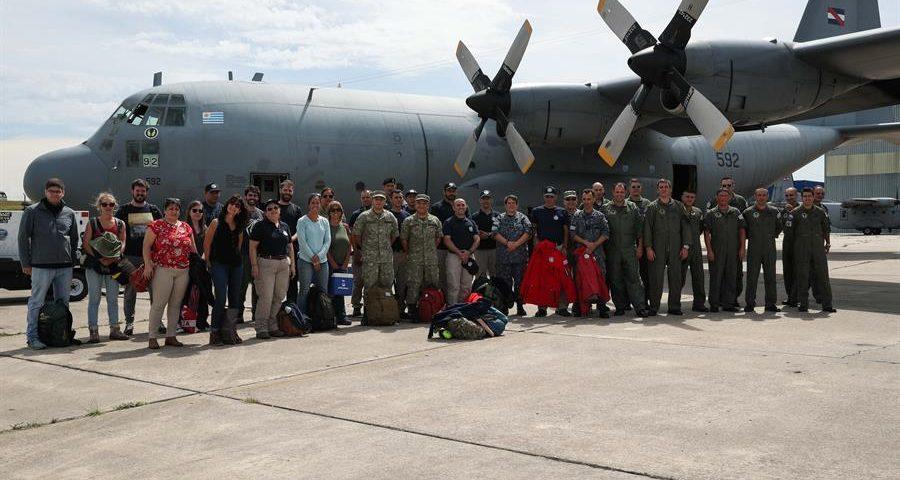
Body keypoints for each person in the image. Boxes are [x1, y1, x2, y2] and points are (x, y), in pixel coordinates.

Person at [19, 179, 80, 350]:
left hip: (64, 266)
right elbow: (23, 239)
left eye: (58, 191)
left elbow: (74, 239)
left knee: (63, 303)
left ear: (63, 193)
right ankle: (32, 337)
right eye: (51, 191)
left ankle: (61, 334)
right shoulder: (32, 211)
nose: (55, 194)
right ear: (45, 192)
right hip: (41, 265)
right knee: (36, 302)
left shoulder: (69, 213)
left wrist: (73, 260)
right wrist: (26, 262)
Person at [143, 198, 196, 349]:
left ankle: (171, 335)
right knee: (159, 304)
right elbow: (146, 246)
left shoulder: (186, 227)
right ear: (165, 210)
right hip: (163, 269)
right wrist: (148, 265)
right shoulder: (156, 226)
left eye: (176, 209)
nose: (174, 211)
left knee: (175, 305)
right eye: (171, 208)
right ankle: (152, 336)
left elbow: (193, 250)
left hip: (182, 270)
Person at [116, 178, 162, 336]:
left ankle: (157, 322)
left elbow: (161, 232)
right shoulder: (123, 210)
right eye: (137, 191)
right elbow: (116, 231)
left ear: (146, 192)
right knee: (130, 291)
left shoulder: (154, 210)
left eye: (143, 191)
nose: (140, 193)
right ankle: (129, 323)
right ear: (132, 191)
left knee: (155, 291)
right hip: (130, 257)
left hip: (150, 257)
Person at [82, 192, 129, 342]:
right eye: (105, 204)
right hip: (95, 265)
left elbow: (123, 242)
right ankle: (93, 331)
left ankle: (115, 329)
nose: (108, 207)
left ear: (115, 206)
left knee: (113, 299)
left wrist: (114, 256)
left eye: (111, 204)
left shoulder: (120, 223)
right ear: (99, 206)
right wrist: (100, 258)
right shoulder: (93, 223)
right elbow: (86, 243)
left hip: (113, 266)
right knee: (94, 299)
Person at [204, 195, 248, 345]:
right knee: (221, 297)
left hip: (236, 265)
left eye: (237, 206)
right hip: (219, 264)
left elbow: (239, 245)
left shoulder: (239, 225)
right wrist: (208, 262)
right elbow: (207, 243)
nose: (233, 207)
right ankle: (215, 331)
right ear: (227, 205)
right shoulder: (216, 222)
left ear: (239, 210)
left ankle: (230, 330)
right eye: (231, 203)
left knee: (235, 297)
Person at [643, 178, 690, 316]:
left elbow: (685, 227)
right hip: (657, 249)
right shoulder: (652, 207)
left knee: (676, 278)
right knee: (655, 278)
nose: (664, 189)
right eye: (661, 187)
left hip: (676, 248)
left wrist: (686, 246)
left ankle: (674, 306)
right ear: (658, 190)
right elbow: (647, 229)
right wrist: (648, 248)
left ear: (670, 189)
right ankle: (654, 307)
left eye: (666, 187)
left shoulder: (679, 206)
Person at [249, 199, 295, 339]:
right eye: (269, 208)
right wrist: (254, 266)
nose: (273, 210)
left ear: (279, 210)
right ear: (265, 212)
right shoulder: (260, 226)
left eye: (276, 207)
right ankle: (261, 327)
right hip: (266, 263)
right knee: (266, 297)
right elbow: (252, 247)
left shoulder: (284, 226)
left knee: (279, 296)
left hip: (282, 264)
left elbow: (290, 246)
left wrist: (292, 264)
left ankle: (272, 325)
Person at [602, 183, 650, 317]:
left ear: (625, 193)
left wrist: (640, 247)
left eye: (621, 192)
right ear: (613, 192)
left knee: (634, 278)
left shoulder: (632, 207)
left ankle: (640, 307)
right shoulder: (606, 208)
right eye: (617, 192)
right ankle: (620, 306)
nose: (619, 195)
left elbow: (639, 229)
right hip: (613, 250)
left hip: (629, 249)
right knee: (615, 279)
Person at [788, 188, 836, 313]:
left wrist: (828, 243)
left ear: (813, 197)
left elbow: (826, 229)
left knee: (823, 276)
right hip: (802, 248)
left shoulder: (820, 212)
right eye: (805, 196)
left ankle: (827, 305)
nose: (807, 199)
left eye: (810, 196)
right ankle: (803, 304)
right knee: (802, 277)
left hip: (817, 248)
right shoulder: (795, 213)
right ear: (801, 198)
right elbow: (789, 233)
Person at [353, 191, 399, 310]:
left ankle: (386, 311)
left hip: (386, 258)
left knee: (387, 284)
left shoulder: (390, 217)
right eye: (376, 199)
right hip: (370, 258)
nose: (378, 201)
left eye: (381, 199)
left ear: (384, 201)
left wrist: (386, 245)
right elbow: (356, 234)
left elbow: (394, 235)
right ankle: (369, 312)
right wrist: (364, 248)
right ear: (372, 201)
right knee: (369, 285)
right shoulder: (364, 216)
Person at [400, 194, 443, 319]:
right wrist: (410, 252)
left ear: (428, 205)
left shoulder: (435, 220)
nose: (421, 205)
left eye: (424, 203)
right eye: (419, 203)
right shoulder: (409, 221)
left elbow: (438, 238)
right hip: (414, 259)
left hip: (431, 259)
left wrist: (430, 249)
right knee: (414, 284)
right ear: (415, 204)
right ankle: (413, 311)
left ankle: (432, 308)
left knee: (433, 283)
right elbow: (404, 239)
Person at [529, 186, 570, 317]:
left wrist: (564, 246)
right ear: (544, 197)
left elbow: (566, 231)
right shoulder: (537, 211)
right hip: (543, 250)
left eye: (551, 196)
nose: (549, 199)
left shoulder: (562, 212)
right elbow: (534, 230)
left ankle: (562, 307)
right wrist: (536, 243)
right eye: (547, 196)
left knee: (562, 278)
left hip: (558, 249)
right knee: (543, 280)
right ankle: (542, 308)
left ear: (556, 198)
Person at [704, 189, 746, 312]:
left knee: (731, 277)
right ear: (717, 198)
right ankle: (714, 304)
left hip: (733, 250)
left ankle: (729, 303)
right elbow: (707, 233)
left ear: (729, 198)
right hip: (717, 250)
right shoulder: (711, 213)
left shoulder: (736, 212)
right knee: (716, 277)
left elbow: (742, 230)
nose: (723, 198)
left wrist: (742, 247)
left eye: (725, 196)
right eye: (720, 196)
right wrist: (709, 251)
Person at [571, 189, 611, 318]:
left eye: (589, 199)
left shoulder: (600, 216)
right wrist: (586, 243)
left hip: (597, 254)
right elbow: (572, 234)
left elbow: (606, 233)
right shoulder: (576, 216)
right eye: (584, 199)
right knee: (580, 279)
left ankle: (601, 306)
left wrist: (594, 245)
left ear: (594, 200)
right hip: (581, 253)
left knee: (601, 279)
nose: (587, 202)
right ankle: (580, 306)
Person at [743, 188, 782, 313]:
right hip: (754, 248)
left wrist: (770, 235)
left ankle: (770, 303)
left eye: (764, 195)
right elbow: (744, 230)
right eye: (759, 195)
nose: (761, 197)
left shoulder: (774, 211)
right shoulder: (748, 212)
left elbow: (779, 227)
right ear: (755, 196)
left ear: (767, 196)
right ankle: (750, 303)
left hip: (769, 248)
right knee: (752, 277)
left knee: (770, 276)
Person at [493, 194, 532, 316]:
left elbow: (528, 232)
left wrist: (516, 244)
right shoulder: (499, 218)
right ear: (505, 205)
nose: (511, 205)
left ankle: (520, 306)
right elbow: (494, 232)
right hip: (503, 258)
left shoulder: (522, 218)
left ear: (517, 205)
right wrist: (507, 243)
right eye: (508, 203)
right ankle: (505, 306)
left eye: (513, 203)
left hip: (519, 257)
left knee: (520, 282)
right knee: (505, 283)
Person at [296, 193, 332, 315]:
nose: (315, 205)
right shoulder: (302, 221)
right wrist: (313, 257)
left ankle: (322, 317)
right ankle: (302, 318)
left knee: (323, 290)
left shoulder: (325, 221)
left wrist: (319, 256)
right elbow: (302, 242)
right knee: (304, 290)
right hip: (306, 260)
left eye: (317, 203)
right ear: (308, 205)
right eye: (313, 203)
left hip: (322, 261)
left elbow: (327, 241)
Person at [443, 198, 480, 303]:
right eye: (458, 205)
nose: (461, 207)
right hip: (454, 256)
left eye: (463, 205)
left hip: (468, 257)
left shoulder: (471, 222)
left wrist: (468, 252)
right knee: (453, 285)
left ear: (466, 207)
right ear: (453, 207)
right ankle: (453, 310)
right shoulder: (448, 222)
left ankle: (463, 309)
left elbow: (477, 239)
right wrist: (459, 253)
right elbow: (447, 240)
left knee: (466, 286)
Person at [238, 185, 264, 321]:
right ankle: (238, 315)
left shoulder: (261, 214)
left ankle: (255, 313)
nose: (252, 198)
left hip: (258, 255)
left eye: (255, 196)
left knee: (257, 286)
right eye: (250, 195)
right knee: (241, 285)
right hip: (243, 255)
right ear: (245, 196)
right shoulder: (240, 212)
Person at [431, 182, 462, 292]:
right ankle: (443, 303)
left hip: (459, 250)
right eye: (449, 190)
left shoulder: (462, 207)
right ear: (444, 192)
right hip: (443, 249)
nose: (451, 193)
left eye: (453, 190)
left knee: (458, 279)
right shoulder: (436, 208)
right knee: (443, 278)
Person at [680, 189, 707, 312]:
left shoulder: (698, 212)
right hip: (681, 249)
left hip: (696, 249)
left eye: (692, 197)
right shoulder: (677, 211)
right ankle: (675, 303)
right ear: (682, 197)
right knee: (679, 278)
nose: (689, 199)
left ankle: (699, 304)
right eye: (687, 197)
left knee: (698, 277)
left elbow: (701, 228)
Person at [326, 201, 353, 325]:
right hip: (330, 264)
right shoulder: (326, 226)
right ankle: (330, 317)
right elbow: (326, 247)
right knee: (331, 291)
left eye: (338, 210)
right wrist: (333, 263)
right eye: (333, 210)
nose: (336, 212)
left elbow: (349, 245)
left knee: (341, 291)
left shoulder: (345, 227)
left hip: (343, 264)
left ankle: (342, 316)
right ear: (329, 212)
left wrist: (346, 262)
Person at [277, 180, 303, 303]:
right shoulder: (273, 207)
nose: (287, 192)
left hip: (293, 251)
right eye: (285, 190)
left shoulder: (296, 209)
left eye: (290, 190)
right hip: (276, 251)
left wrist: (290, 239)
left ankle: (292, 310)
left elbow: (300, 229)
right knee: (277, 283)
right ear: (280, 190)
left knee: (293, 282)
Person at [628, 178, 652, 309]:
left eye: (638, 187)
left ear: (641, 188)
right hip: (627, 243)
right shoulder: (624, 203)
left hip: (642, 241)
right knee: (629, 274)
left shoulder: (647, 204)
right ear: (629, 189)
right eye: (633, 187)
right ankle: (627, 302)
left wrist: (644, 246)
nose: (635, 189)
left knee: (645, 274)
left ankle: (645, 301)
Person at [348, 189, 372, 317]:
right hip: (360, 252)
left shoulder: (378, 214)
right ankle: (356, 306)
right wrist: (356, 251)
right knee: (358, 282)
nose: (365, 200)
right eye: (363, 198)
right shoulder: (355, 214)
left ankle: (370, 306)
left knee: (371, 282)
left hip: (373, 254)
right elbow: (352, 235)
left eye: (368, 197)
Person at [388, 190, 411, 314]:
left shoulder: (407, 216)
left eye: (400, 197)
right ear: (391, 199)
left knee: (402, 284)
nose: (398, 200)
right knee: (388, 282)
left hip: (403, 254)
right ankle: (389, 309)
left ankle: (400, 310)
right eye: (395, 197)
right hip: (390, 254)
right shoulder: (386, 215)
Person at [471, 190, 499, 279]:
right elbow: (471, 233)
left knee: (495, 275)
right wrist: (478, 234)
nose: (486, 201)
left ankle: (495, 293)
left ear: (491, 200)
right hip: (480, 250)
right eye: (483, 198)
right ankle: (481, 293)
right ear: (480, 200)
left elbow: (501, 231)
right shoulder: (474, 216)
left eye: (488, 198)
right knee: (480, 275)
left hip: (494, 250)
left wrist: (489, 234)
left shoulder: (498, 215)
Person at [781, 187, 800, 307]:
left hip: (799, 243)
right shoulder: (784, 210)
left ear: (797, 195)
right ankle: (790, 297)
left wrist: (793, 210)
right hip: (787, 243)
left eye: (791, 195)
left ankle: (797, 297)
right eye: (787, 196)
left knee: (798, 272)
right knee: (787, 272)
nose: (789, 198)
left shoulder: (802, 209)